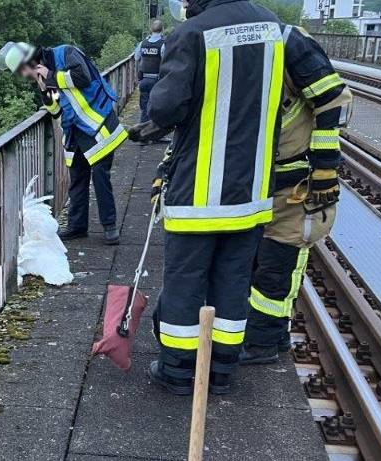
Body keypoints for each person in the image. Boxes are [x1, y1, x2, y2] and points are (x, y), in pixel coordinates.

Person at [131, 0, 289, 396]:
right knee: (233, 282)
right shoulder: (272, 27)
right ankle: (221, 370)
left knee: (185, 282)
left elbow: (165, 108)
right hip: (252, 189)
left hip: (200, 190)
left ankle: (178, 370)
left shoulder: (191, 33)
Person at [240, 25, 352, 364]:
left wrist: (324, 170)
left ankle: (262, 344)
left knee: (276, 268)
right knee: (259, 263)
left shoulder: (289, 44)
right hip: (261, 183)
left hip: (295, 186)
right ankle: (272, 337)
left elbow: (332, 100)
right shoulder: (234, 41)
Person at [0, 41, 128, 245]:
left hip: (98, 125)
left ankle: (109, 226)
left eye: (24, 71)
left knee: (101, 177)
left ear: (30, 62)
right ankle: (77, 226)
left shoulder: (66, 54)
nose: (27, 76)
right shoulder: (43, 75)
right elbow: (56, 111)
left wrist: (51, 76)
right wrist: (44, 92)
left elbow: (82, 77)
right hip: (75, 132)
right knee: (77, 180)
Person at [134, 20, 166, 124]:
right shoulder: (163, 44)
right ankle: (154, 134)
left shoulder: (142, 43)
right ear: (162, 29)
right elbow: (166, 61)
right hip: (157, 80)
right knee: (157, 107)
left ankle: (143, 134)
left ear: (150, 30)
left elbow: (136, 57)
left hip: (143, 80)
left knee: (144, 108)